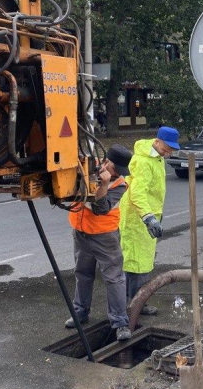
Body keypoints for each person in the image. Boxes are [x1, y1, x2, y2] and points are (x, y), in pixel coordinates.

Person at [66, 145, 133, 341]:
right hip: (80, 233)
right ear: (105, 161)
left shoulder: (119, 184)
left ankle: (120, 322)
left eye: (119, 172)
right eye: (114, 169)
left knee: (113, 278)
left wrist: (102, 185)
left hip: (105, 237)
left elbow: (101, 209)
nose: (115, 175)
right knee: (83, 274)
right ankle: (80, 312)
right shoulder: (87, 167)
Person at [120, 126, 180, 315]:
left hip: (143, 216)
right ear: (157, 141)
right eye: (166, 148)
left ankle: (131, 302)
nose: (168, 152)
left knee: (138, 261)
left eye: (171, 149)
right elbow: (137, 193)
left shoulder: (156, 156)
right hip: (138, 218)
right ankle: (137, 304)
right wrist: (148, 218)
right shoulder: (144, 161)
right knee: (138, 263)